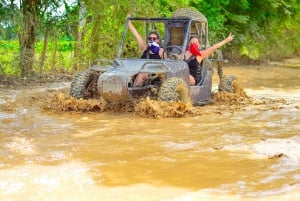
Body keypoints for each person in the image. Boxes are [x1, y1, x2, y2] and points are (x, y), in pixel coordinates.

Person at [127, 13, 164, 86]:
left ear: (158, 40)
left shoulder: (161, 51)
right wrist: (128, 22)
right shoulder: (145, 47)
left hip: (154, 74)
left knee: (142, 74)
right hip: (141, 70)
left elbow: (167, 65)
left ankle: (133, 91)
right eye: (150, 38)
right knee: (131, 72)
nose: (152, 40)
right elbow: (136, 35)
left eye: (154, 38)